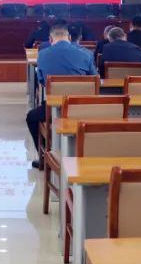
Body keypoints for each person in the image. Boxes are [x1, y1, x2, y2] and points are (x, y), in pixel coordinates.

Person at [26, 25, 96, 169]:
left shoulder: (43, 54)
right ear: (69, 38)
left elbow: (42, 81)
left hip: (54, 109)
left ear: (50, 39)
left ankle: (45, 157)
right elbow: (95, 80)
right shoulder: (86, 54)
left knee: (32, 117)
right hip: (82, 108)